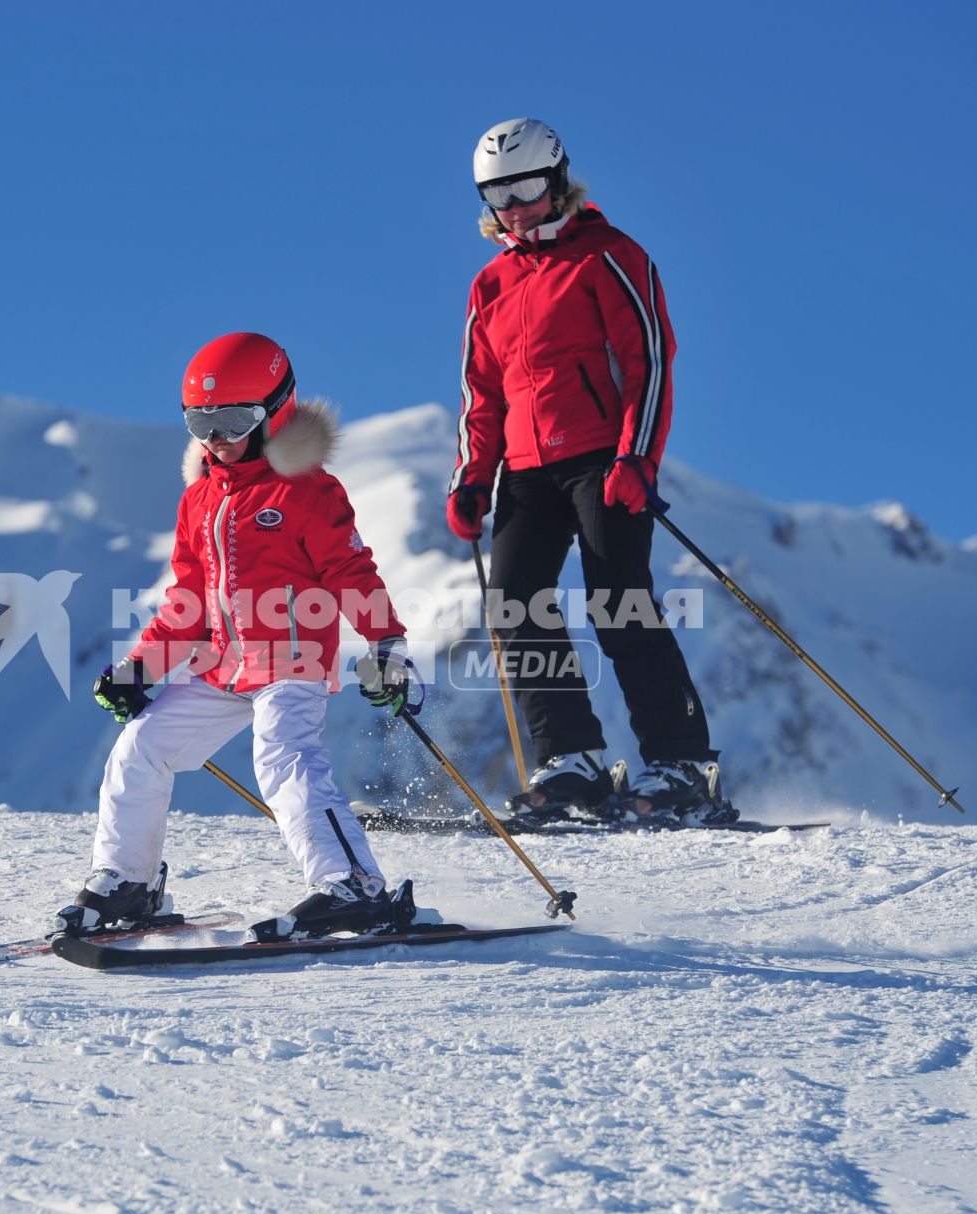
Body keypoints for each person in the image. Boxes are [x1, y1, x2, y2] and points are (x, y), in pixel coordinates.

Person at [55, 332, 421, 943]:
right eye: (201, 421)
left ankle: (353, 885)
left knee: (284, 757)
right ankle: (127, 883)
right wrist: (140, 670)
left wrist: (387, 648)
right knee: (140, 747)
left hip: (290, 658)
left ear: (275, 413)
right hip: (222, 666)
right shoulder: (198, 499)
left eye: (232, 420)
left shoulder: (306, 490)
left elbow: (351, 572)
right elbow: (189, 601)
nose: (215, 439)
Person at [446, 117, 729, 824]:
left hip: (604, 458)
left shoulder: (609, 254)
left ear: (559, 178)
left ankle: (682, 761)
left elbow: (651, 361)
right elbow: (482, 392)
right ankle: (571, 758)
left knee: (619, 600)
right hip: (527, 469)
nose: (515, 206)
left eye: (528, 187)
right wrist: (472, 476)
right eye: (498, 195)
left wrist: (637, 456)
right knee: (513, 601)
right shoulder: (491, 284)